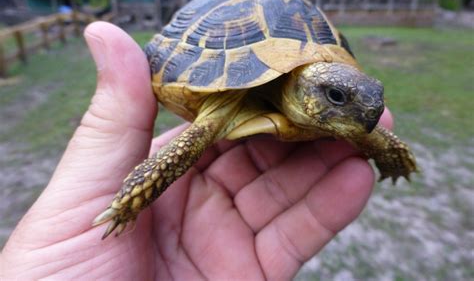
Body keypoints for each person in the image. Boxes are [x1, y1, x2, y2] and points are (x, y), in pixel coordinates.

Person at [0, 22, 391, 280]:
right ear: (305, 89)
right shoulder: (231, 100)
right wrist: (131, 200)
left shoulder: (335, 108)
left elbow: (366, 130)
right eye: (337, 97)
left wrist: (388, 150)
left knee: (369, 133)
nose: (365, 113)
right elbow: (183, 147)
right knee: (186, 145)